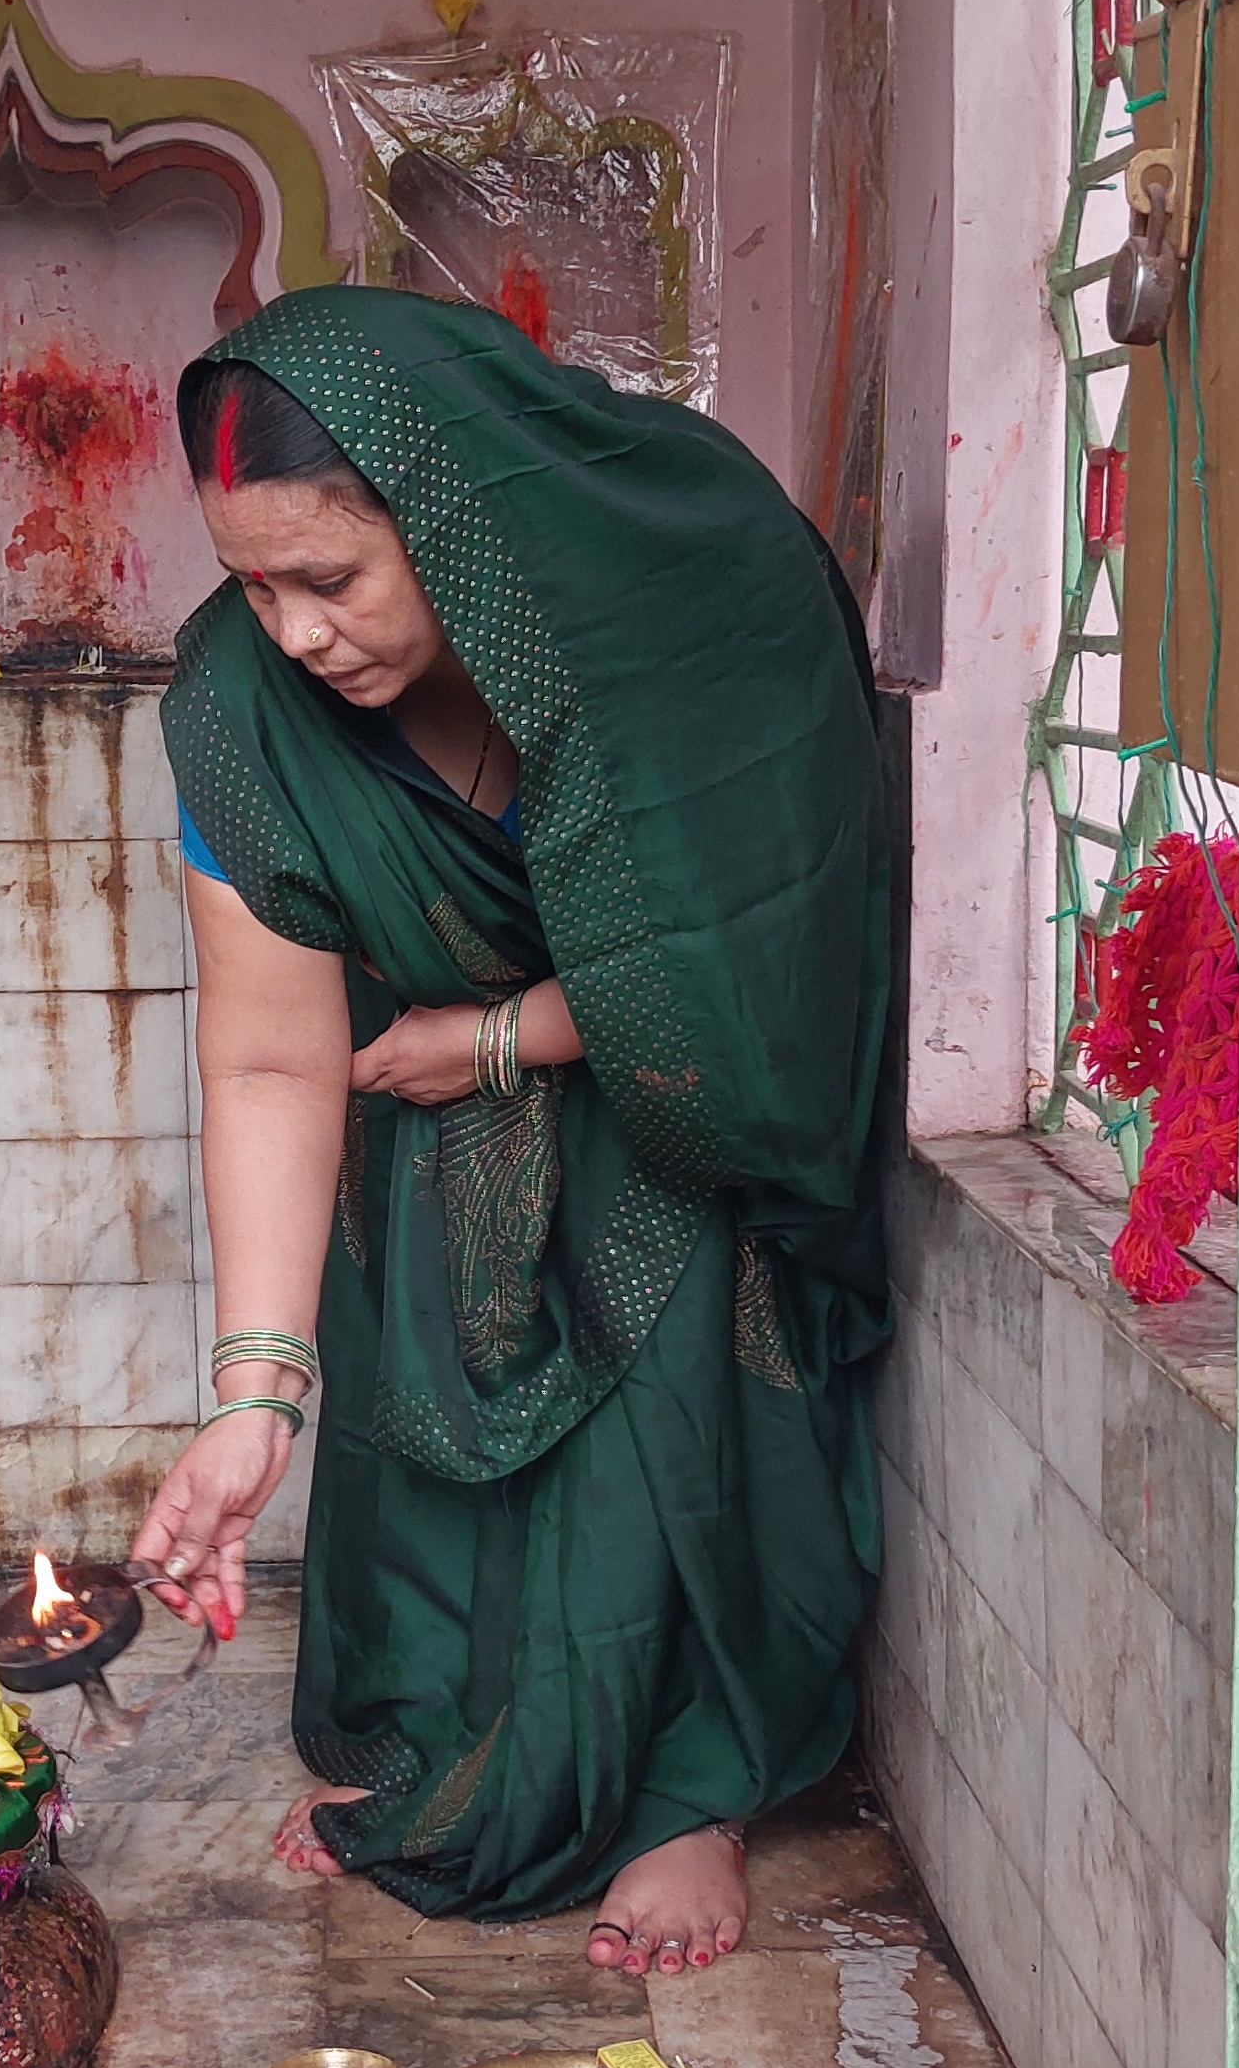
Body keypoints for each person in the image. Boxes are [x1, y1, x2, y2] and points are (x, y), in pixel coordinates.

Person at [125, 286, 896, 1978]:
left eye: (329, 578)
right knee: (427, 1414)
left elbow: (765, 946)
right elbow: (268, 1060)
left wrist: (501, 1037)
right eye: (252, 585)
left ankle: (688, 1790)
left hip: (681, 1104)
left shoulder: (686, 596)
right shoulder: (241, 716)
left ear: (455, 512)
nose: (297, 633)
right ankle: (454, 1748)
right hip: (418, 1118)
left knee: (664, 1397)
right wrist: (254, 1400)